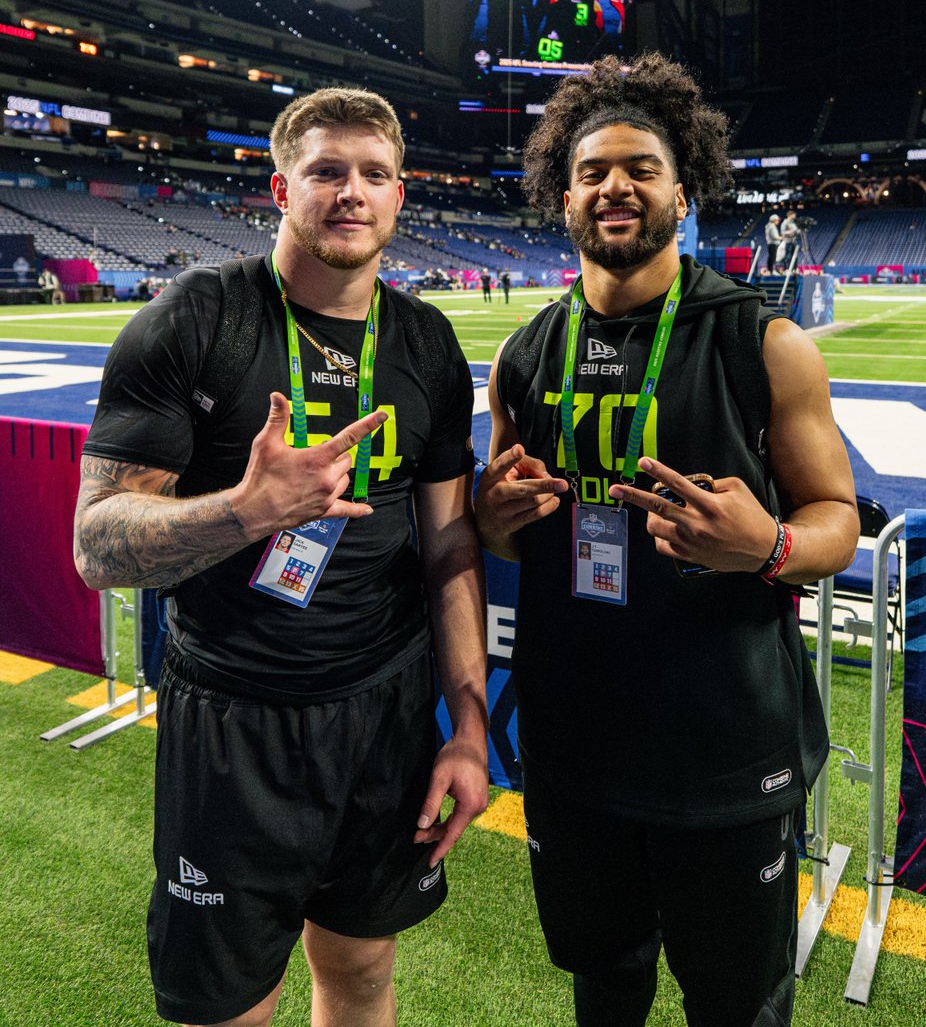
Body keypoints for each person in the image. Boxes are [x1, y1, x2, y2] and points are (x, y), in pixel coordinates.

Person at [74, 86, 489, 1027]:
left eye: (374, 174)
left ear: (399, 195)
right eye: (327, 171)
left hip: (383, 716)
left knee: (363, 972)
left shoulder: (425, 341)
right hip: (234, 721)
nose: (352, 192)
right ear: (280, 187)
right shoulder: (196, 320)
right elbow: (98, 544)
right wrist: (245, 511)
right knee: (226, 1011)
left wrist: (466, 724)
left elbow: (451, 543)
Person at [475, 52, 858, 1027]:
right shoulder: (523, 358)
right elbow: (510, 536)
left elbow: (837, 525)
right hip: (575, 752)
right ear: (563, 198)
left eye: (640, 168)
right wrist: (494, 523)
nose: (616, 186)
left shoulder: (763, 343)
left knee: (736, 1007)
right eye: (594, 171)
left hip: (725, 755)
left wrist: (767, 544)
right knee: (603, 992)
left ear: (681, 193)